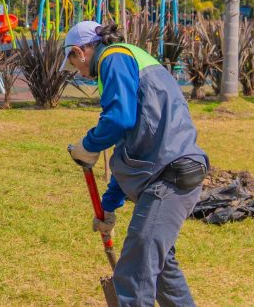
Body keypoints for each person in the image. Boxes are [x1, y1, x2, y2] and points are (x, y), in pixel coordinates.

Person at [63, 21, 208, 306]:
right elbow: (131, 148)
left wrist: (88, 145)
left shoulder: (113, 58)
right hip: (172, 169)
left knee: (133, 273)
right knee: (162, 269)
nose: (79, 73)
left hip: (170, 174)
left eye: (74, 64)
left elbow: (118, 120)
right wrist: (109, 206)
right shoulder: (127, 58)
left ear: (80, 52)